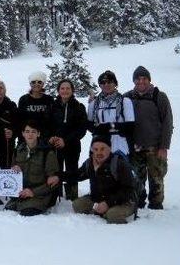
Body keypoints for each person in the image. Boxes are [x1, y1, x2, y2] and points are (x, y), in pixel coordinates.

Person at [124, 66, 173, 210]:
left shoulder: (159, 96)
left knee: (156, 177)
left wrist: (164, 146)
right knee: (136, 177)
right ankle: (138, 202)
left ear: (149, 80)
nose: (141, 82)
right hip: (134, 146)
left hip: (155, 146)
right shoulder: (127, 97)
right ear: (134, 81)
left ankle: (156, 204)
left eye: (144, 78)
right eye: (138, 79)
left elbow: (167, 122)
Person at [71, 136, 136, 224]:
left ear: (109, 149)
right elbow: (76, 175)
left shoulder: (119, 164)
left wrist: (108, 203)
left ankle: (112, 212)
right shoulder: (90, 163)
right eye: (96, 149)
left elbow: (128, 190)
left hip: (123, 201)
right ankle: (103, 210)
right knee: (77, 205)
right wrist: (58, 177)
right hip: (99, 199)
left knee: (112, 216)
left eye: (102, 149)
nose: (99, 152)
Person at [4, 121, 59, 216]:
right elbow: (12, 176)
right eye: (27, 131)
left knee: (27, 212)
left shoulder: (47, 153)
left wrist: (33, 192)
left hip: (40, 195)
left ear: (38, 134)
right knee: (8, 210)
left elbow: (52, 183)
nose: (30, 134)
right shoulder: (18, 151)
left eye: (33, 132)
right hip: (22, 193)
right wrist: (14, 172)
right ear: (23, 134)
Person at [48, 79, 87, 200]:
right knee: (56, 169)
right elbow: (47, 124)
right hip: (55, 145)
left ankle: (72, 194)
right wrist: (51, 137)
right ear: (58, 90)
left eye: (67, 88)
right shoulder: (52, 106)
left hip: (72, 145)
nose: (65, 91)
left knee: (72, 169)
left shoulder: (79, 107)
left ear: (72, 90)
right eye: (62, 88)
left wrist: (66, 140)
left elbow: (82, 128)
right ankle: (56, 193)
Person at [87, 70, 135, 156]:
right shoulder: (94, 104)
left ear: (115, 84)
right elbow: (90, 126)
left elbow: (130, 127)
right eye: (103, 82)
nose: (106, 85)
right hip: (99, 146)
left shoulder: (124, 101)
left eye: (109, 82)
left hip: (119, 146)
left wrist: (109, 126)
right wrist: (97, 129)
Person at [17, 71, 54, 139]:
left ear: (43, 84)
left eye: (39, 82)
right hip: (28, 137)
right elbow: (20, 120)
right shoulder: (23, 99)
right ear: (30, 84)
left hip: (45, 138)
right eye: (33, 82)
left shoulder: (49, 99)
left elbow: (52, 120)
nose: (36, 84)